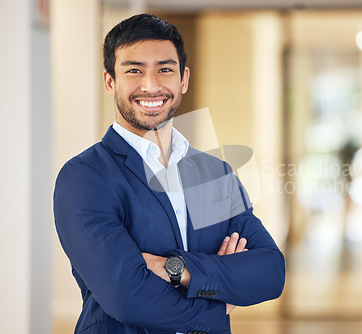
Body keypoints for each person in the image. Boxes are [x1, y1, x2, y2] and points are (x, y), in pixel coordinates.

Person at [53, 13, 285, 334]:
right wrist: (221, 295)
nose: (151, 85)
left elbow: (270, 272)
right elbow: (127, 298)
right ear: (110, 81)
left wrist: (174, 269)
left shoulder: (212, 173)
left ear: (183, 79)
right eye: (134, 70)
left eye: (165, 69)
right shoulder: (85, 176)